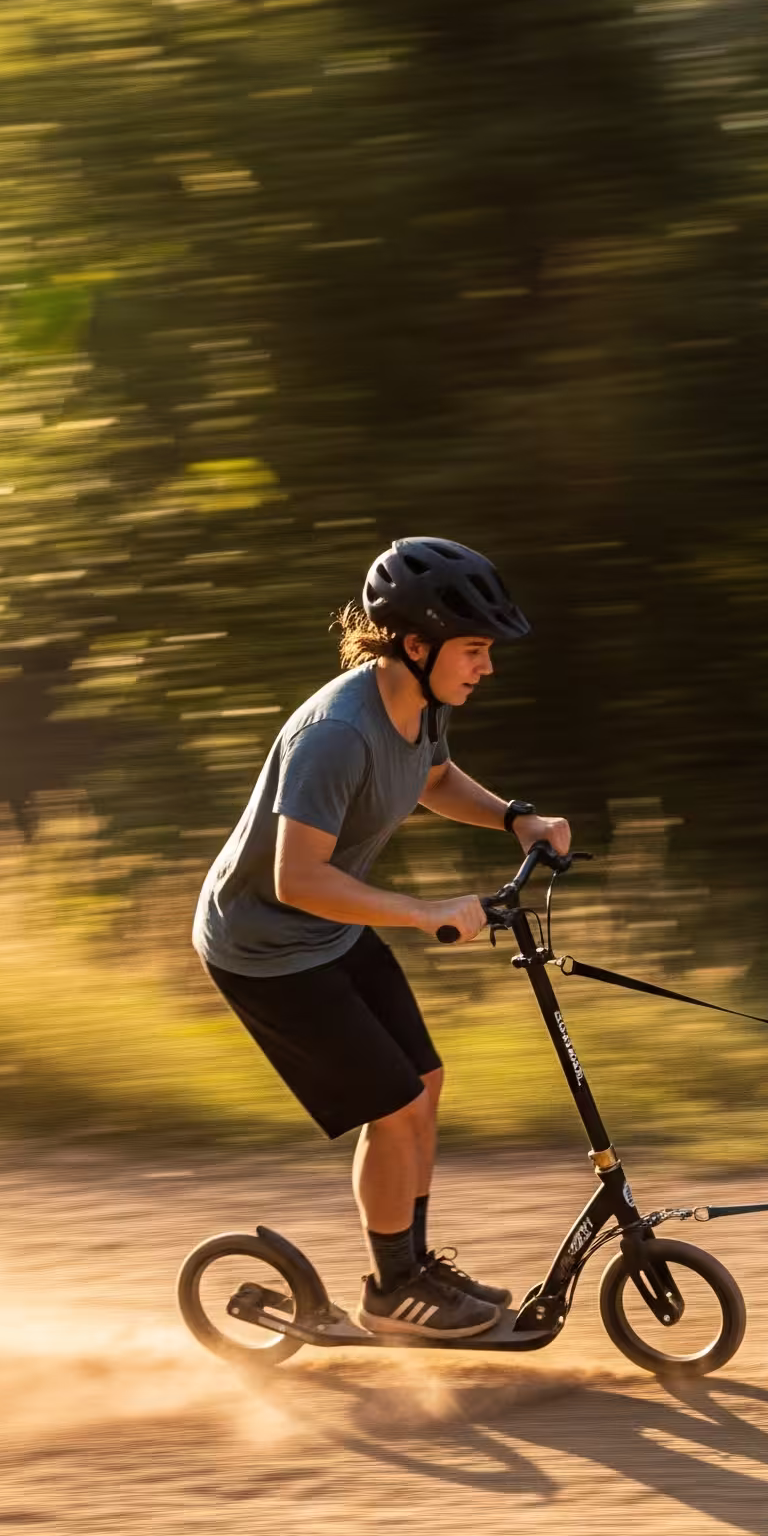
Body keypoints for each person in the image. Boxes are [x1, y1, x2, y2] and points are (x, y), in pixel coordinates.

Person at [193, 537, 570, 1340]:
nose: (487, 667)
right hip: (264, 946)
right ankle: (394, 1292)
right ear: (416, 644)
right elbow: (297, 879)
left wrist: (515, 817)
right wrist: (423, 907)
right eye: (474, 650)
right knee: (395, 1106)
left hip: (324, 931)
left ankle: (411, 1272)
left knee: (423, 1082)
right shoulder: (337, 734)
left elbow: (434, 779)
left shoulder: (420, 706)